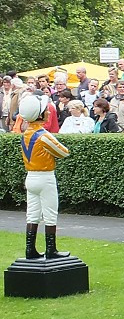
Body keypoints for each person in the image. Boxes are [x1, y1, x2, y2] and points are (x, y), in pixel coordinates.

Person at [18, 93, 71, 260]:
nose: (48, 112)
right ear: (39, 115)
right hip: (45, 177)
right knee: (50, 213)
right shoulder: (43, 135)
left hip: (30, 177)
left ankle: (30, 249)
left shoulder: (25, 134)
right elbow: (63, 152)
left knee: (32, 214)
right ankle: (51, 249)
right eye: (46, 110)